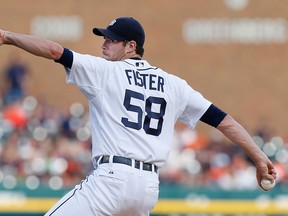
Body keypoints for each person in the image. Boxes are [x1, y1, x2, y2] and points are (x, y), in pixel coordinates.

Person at [0, 17, 277, 216]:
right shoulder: (174, 85)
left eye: (111, 39)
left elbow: (54, 51)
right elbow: (223, 120)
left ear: (131, 46)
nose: (104, 44)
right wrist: (259, 156)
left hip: (111, 179)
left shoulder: (105, 71)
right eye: (104, 38)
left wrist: (8, 37)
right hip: (146, 189)